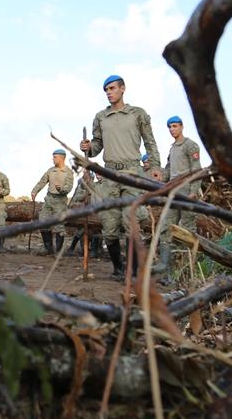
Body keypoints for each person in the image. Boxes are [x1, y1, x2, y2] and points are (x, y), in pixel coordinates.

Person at [80, 74, 162, 279]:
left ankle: (132, 271)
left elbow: (150, 141)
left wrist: (155, 166)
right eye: (106, 90)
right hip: (109, 175)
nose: (109, 92)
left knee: (131, 222)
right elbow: (97, 147)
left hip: (132, 172)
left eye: (112, 88)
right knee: (109, 226)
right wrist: (88, 148)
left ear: (123, 88)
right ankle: (117, 268)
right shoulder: (100, 116)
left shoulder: (137, 114)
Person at [156, 115, 203, 279]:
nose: (172, 130)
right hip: (173, 192)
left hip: (187, 190)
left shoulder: (190, 145)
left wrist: (194, 191)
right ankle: (168, 273)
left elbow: (197, 170)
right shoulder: (172, 149)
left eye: (175, 126)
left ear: (182, 127)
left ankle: (188, 270)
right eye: (170, 127)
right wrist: (160, 181)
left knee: (187, 230)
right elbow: (168, 171)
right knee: (167, 229)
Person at [31, 149, 74, 255]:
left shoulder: (68, 172)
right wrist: (34, 191)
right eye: (53, 157)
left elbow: (69, 187)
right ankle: (48, 248)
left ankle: (58, 252)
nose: (53, 159)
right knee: (43, 221)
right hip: (49, 200)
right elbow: (42, 182)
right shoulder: (50, 170)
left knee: (59, 226)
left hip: (60, 201)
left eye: (55, 157)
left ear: (62, 158)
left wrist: (61, 190)